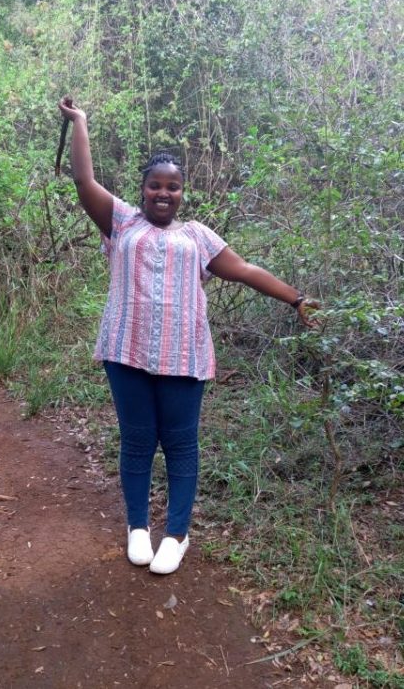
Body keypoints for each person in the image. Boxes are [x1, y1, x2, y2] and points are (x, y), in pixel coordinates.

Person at [58, 97, 317, 575]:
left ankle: (177, 533)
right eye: (155, 185)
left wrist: (296, 298)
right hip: (126, 352)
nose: (163, 193)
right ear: (142, 190)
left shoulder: (198, 235)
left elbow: (245, 270)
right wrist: (80, 122)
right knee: (137, 441)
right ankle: (138, 527)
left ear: (182, 192)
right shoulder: (120, 221)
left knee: (179, 444)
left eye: (172, 187)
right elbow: (83, 181)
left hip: (184, 356)